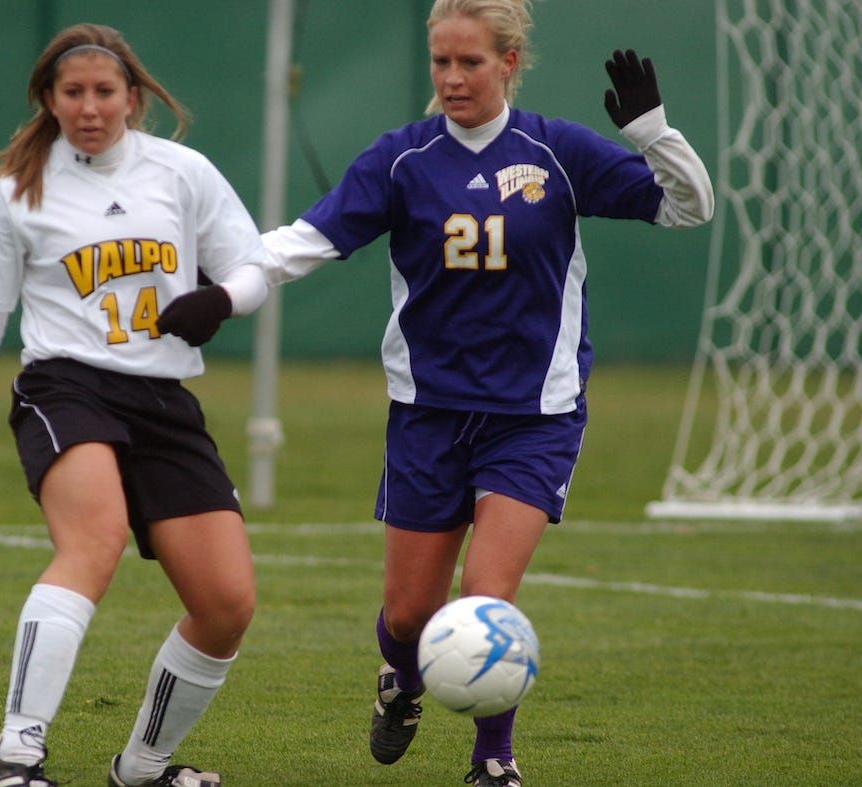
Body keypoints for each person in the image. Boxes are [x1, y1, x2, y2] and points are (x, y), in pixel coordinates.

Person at [259, 1, 713, 785]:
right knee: (407, 616)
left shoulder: (557, 151)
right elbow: (308, 241)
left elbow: (689, 206)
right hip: (428, 415)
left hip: (533, 417)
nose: (452, 77)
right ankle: (401, 680)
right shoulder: (403, 160)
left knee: (485, 596)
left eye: (470, 62)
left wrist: (653, 134)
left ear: (509, 62)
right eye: (441, 61)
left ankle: (494, 759)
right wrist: (217, 276)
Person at [0, 23, 269, 787]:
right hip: (66, 387)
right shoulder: (16, 193)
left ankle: (142, 767)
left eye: (105, 92)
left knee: (227, 602)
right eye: (74, 93)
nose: (90, 107)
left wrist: (221, 298)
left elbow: (254, 265)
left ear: (133, 98)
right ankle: (14, 748)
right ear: (48, 99)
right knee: (92, 543)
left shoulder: (182, 172)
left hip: (162, 398)